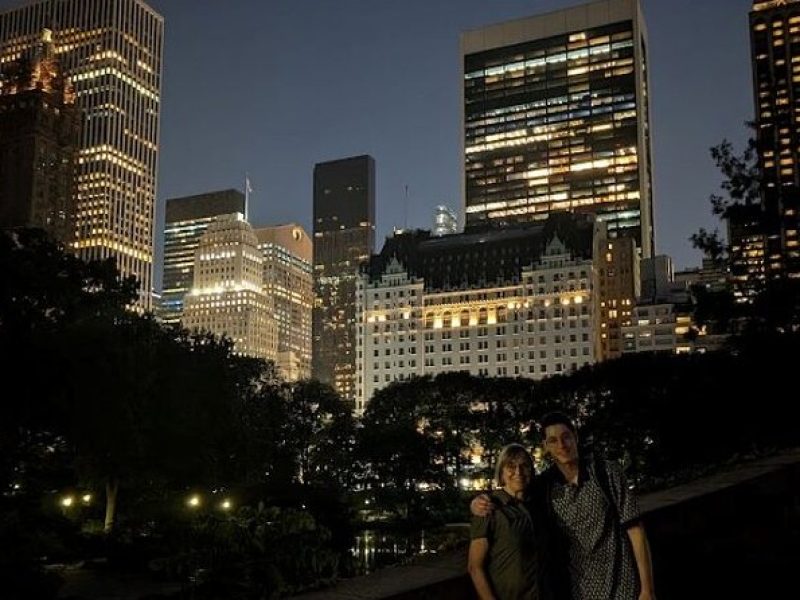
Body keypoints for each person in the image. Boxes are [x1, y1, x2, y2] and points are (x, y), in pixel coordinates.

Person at [472, 412, 656, 600]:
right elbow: (514, 490)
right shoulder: (545, 486)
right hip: (579, 590)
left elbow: (635, 530)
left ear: (575, 436)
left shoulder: (606, 473)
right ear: (546, 446)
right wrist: (479, 501)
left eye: (566, 437)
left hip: (623, 585)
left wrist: (647, 589)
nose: (561, 445)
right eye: (553, 440)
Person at [468, 443, 549, 600]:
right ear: (501, 473)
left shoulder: (538, 506)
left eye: (524, 465)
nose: (518, 472)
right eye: (511, 466)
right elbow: (475, 567)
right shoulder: (488, 508)